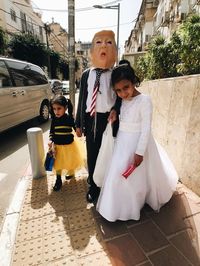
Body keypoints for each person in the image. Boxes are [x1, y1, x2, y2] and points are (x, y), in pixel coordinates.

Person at [96, 64, 179, 221]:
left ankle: (133, 205)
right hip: (122, 142)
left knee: (136, 177)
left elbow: (146, 129)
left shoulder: (144, 100)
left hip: (138, 145)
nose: (122, 93)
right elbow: (121, 107)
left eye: (126, 87)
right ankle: (115, 208)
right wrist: (114, 112)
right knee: (117, 173)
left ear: (133, 81)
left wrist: (139, 152)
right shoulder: (122, 100)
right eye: (118, 91)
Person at [75, 30, 119, 203]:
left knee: (108, 153)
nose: (103, 46)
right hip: (91, 118)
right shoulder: (87, 74)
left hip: (108, 120)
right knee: (92, 154)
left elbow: (119, 98)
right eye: (99, 42)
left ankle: (108, 185)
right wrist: (78, 123)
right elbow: (83, 99)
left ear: (114, 50)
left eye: (109, 43)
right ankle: (93, 186)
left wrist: (116, 111)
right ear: (92, 51)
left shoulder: (115, 74)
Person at [48, 95, 84, 191]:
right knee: (57, 164)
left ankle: (71, 172)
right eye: (54, 109)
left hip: (69, 145)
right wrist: (50, 140)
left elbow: (75, 127)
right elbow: (51, 132)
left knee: (70, 161)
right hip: (57, 146)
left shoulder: (69, 118)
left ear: (65, 108)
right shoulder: (54, 120)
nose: (56, 111)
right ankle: (58, 180)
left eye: (59, 108)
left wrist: (77, 129)